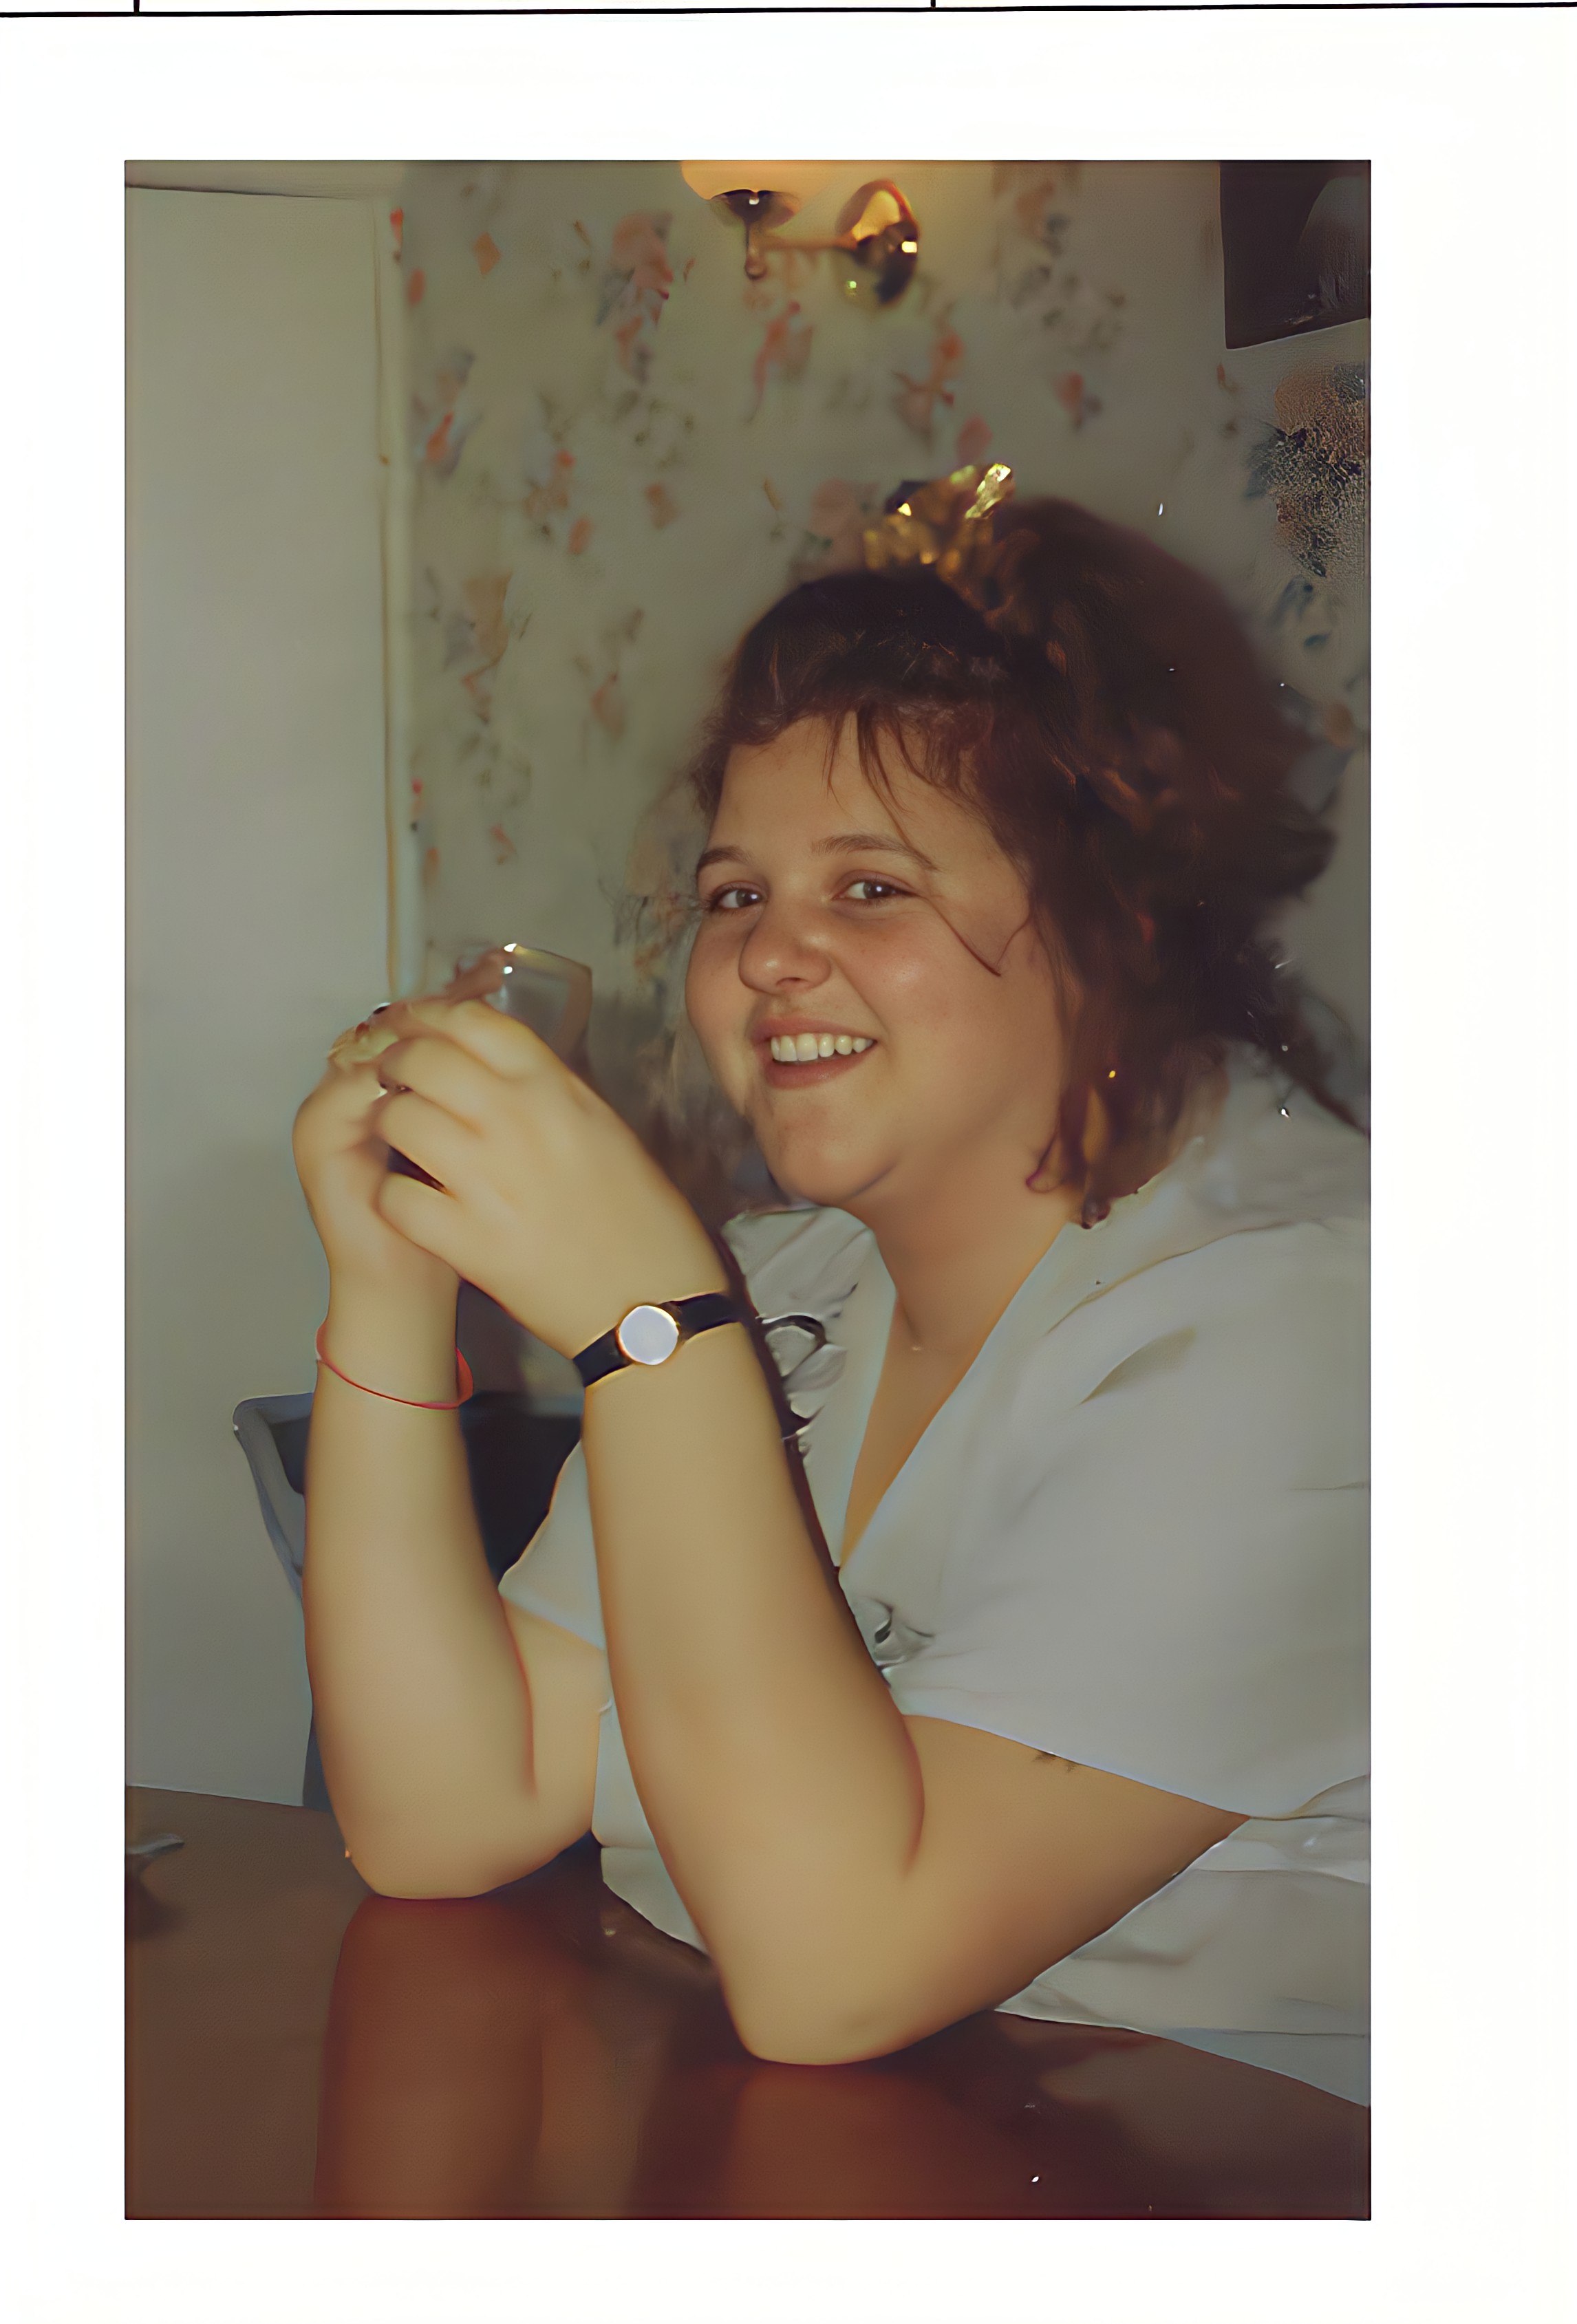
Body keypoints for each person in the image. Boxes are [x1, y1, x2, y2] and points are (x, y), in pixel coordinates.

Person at [292, 471, 1369, 2106]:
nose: (769, 957)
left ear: (1122, 917)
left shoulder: (1314, 1323)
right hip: (833, 2136)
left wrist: (652, 1323)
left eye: (871, 886)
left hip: (1233, 2167)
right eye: (737, 895)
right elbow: (449, 1806)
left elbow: (835, 1970)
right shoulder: (795, 1282)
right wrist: (387, 1283)